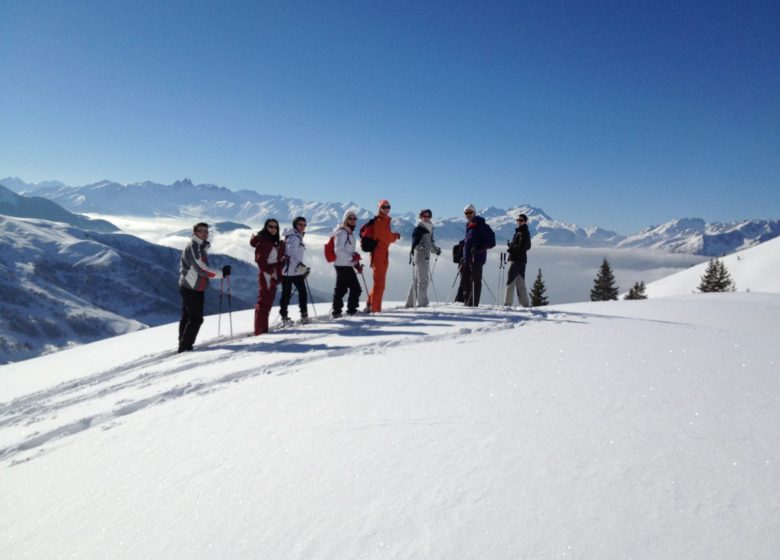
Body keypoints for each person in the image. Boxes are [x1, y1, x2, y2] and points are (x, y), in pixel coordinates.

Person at [178, 222, 230, 353]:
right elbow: (201, 269)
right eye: (201, 231)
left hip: (190, 285)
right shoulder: (195, 247)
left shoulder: (199, 247)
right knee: (196, 319)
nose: (204, 233)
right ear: (194, 233)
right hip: (192, 287)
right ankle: (185, 347)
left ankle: (183, 343)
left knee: (187, 317)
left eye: (206, 231)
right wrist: (221, 274)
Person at [363, 199, 400, 312]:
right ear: (379, 208)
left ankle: (371, 304)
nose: (386, 209)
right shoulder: (380, 222)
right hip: (379, 254)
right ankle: (375, 309)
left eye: (388, 207)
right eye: (384, 207)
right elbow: (386, 237)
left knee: (379, 283)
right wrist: (395, 236)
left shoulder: (383, 220)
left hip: (381, 254)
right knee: (380, 284)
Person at [250, 219, 285, 335]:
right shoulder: (265, 242)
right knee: (264, 303)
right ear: (266, 227)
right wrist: (271, 272)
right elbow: (260, 261)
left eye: (275, 227)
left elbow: (270, 259)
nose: (273, 229)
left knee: (266, 302)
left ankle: (262, 330)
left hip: (270, 274)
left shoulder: (270, 241)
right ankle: (260, 331)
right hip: (267, 275)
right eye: (270, 226)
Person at [459, 204, 495, 307]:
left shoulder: (481, 225)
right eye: (466, 213)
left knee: (475, 281)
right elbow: (470, 241)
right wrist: (462, 248)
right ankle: (467, 303)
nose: (468, 215)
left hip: (477, 258)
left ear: (475, 212)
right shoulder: (469, 226)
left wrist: (478, 249)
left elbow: (491, 242)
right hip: (467, 258)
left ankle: (473, 304)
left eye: (470, 212)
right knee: (465, 282)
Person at [405, 208, 441, 307]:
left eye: (428, 216)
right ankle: (423, 303)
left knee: (417, 280)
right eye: (424, 216)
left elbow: (430, 243)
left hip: (425, 256)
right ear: (420, 217)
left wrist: (435, 250)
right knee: (423, 281)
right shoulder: (419, 229)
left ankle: (410, 303)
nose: (426, 218)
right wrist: (421, 248)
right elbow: (415, 244)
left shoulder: (429, 228)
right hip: (420, 256)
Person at [332, 210, 363, 317]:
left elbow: (347, 250)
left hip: (343, 264)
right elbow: (338, 250)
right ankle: (351, 310)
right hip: (343, 265)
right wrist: (352, 257)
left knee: (341, 289)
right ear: (345, 219)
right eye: (350, 218)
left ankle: (336, 312)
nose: (353, 220)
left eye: (355, 218)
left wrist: (355, 262)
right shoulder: (342, 232)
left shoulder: (348, 232)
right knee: (356, 288)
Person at [279, 216, 310, 324]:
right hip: (291, 271)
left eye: (304, 225)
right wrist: (302, 269)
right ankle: (303, 315)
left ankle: (284, 316)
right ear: (295, 225)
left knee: (287, 295)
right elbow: (292, 256)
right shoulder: (294, 238)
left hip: (290, 271)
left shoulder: (295, 236)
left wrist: (302, 268)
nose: (302, 227)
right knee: (300, 293)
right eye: (300, 224)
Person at [504, 213, 532, 307]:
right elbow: (526, 246)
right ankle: (525, 304)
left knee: (511, 281)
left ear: (525, 221)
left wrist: (512, 248)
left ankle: (507, 303)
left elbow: (524, 247)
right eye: (518, 220)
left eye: (521, 220)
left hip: (517, 260)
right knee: (520, 282)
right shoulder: (522, 232)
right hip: (521, 259)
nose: (519, 222)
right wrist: (512, 247)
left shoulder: (523, 232)